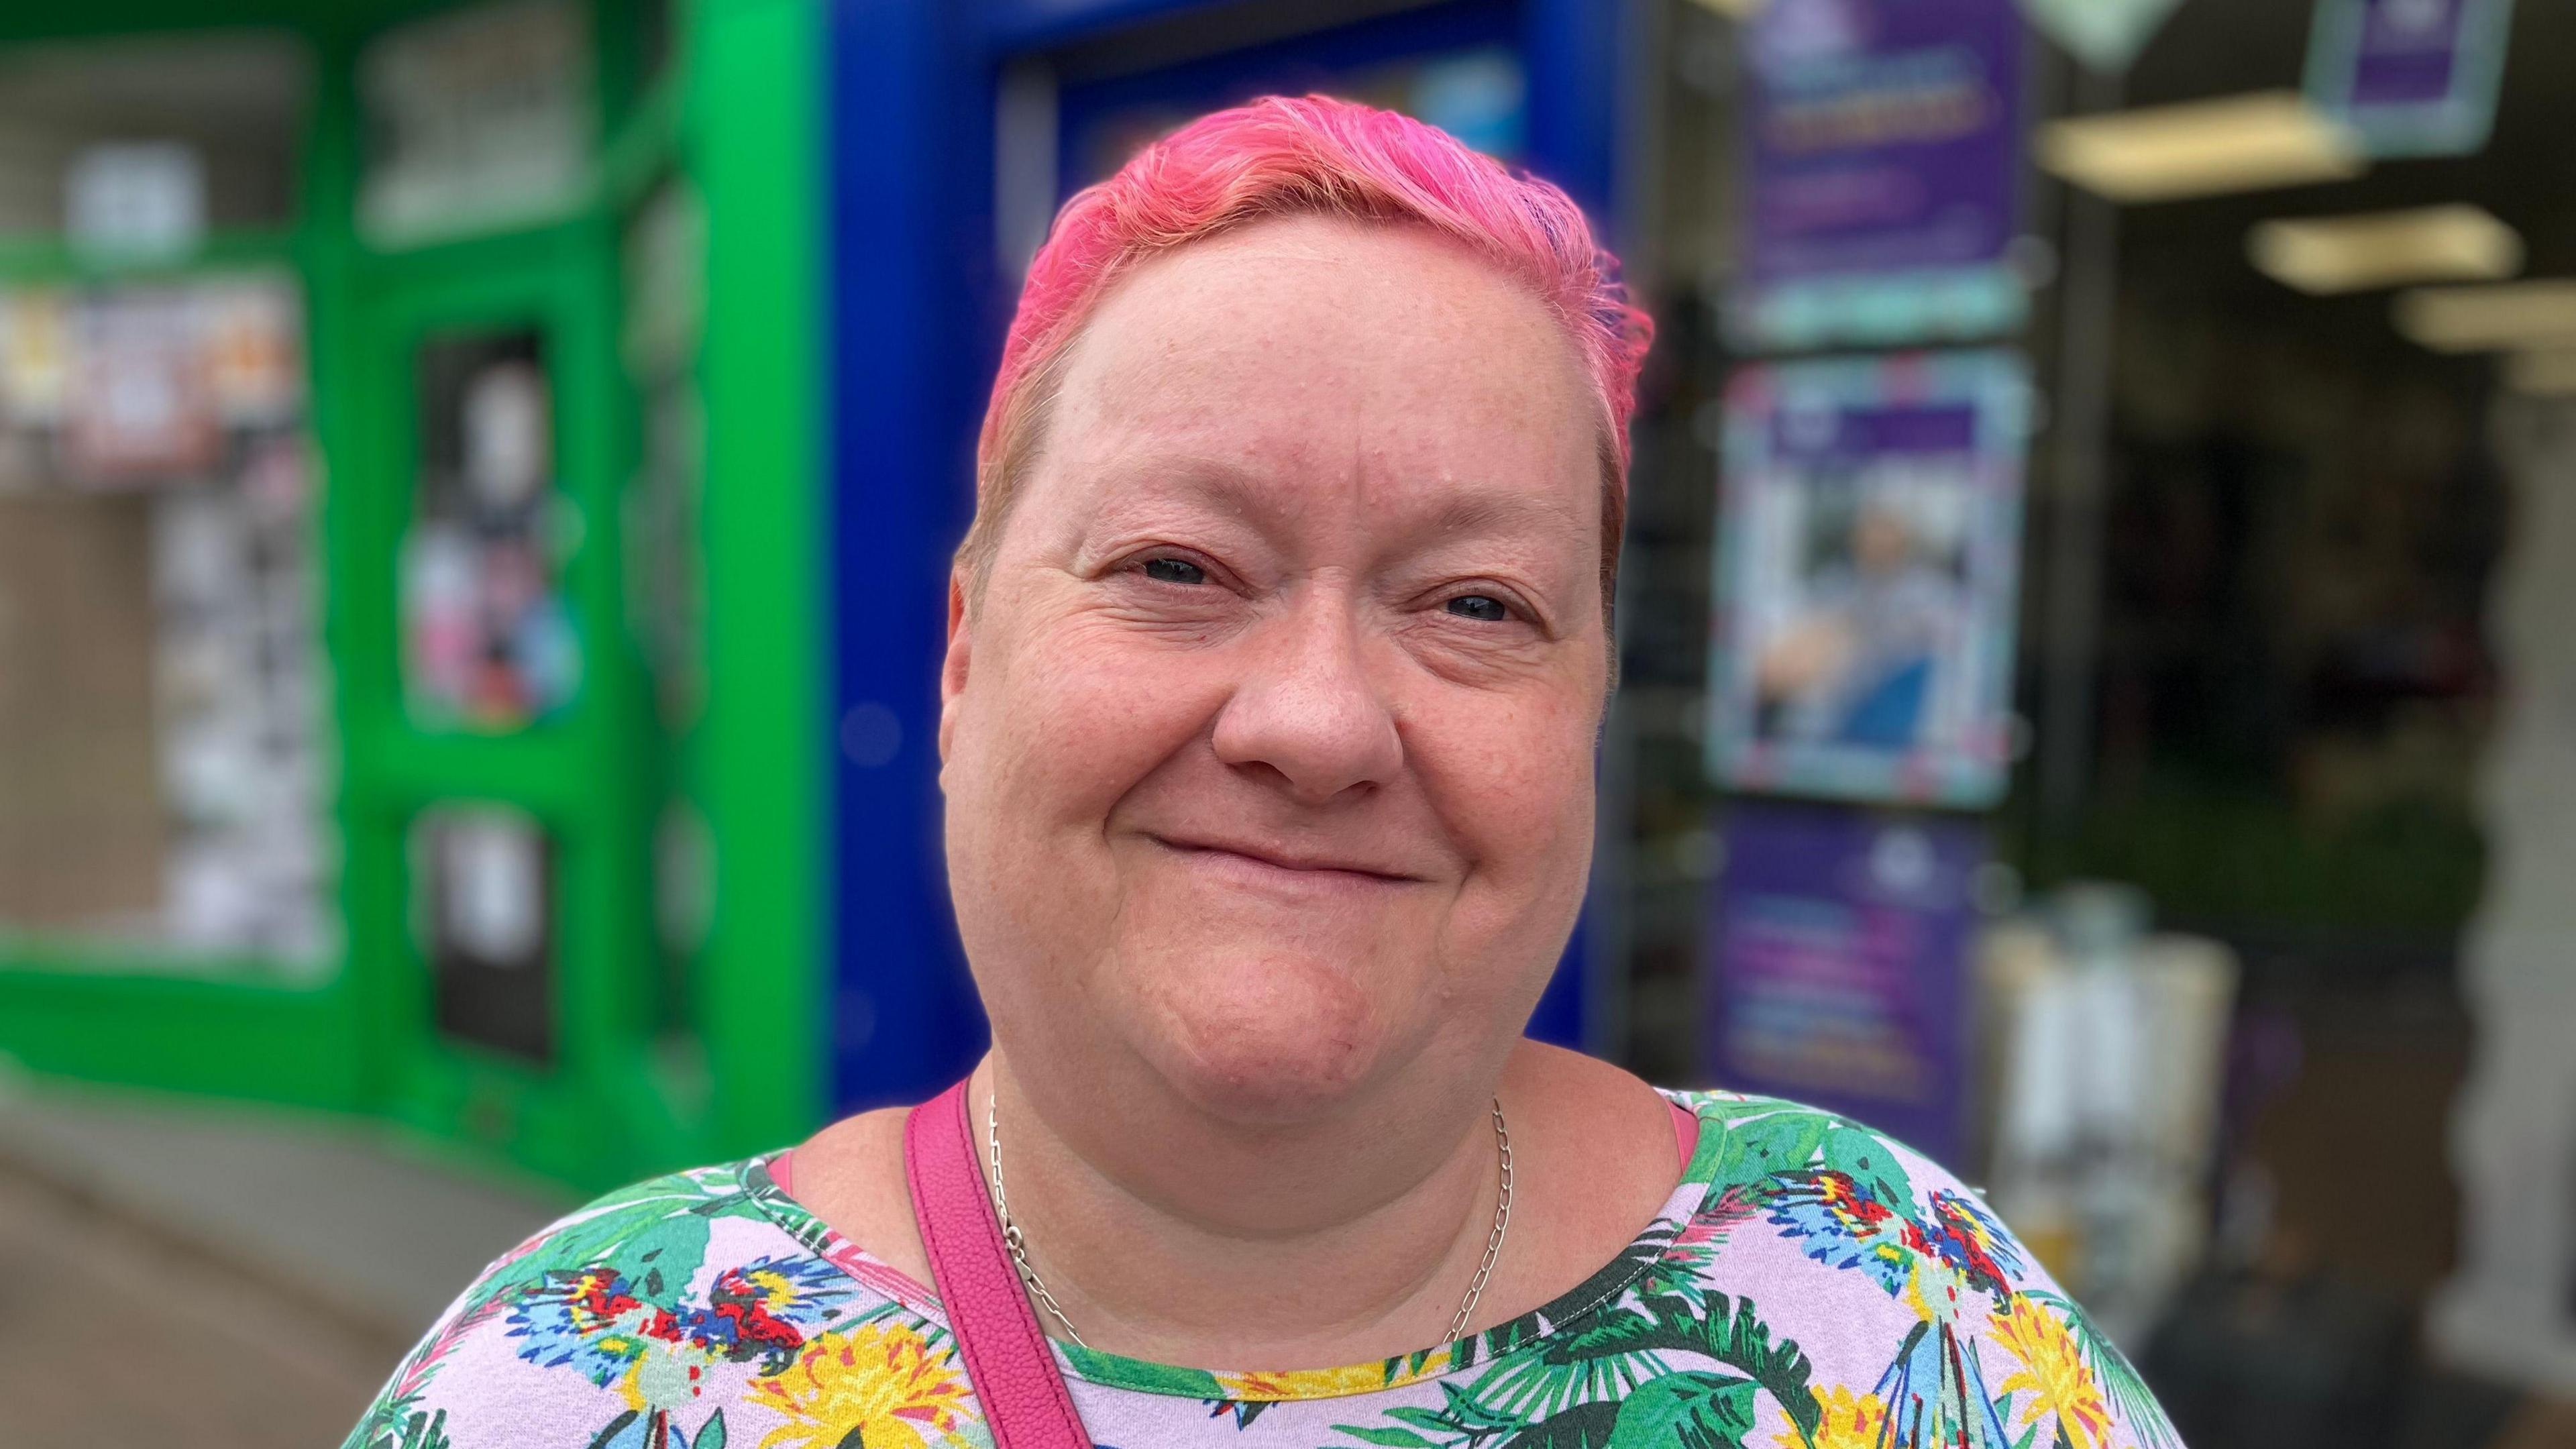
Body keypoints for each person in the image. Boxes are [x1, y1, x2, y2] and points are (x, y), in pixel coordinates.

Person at [346, 96, 2179, 1449]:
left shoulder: (1890, 1312)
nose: (1315, 722)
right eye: (1177, 568)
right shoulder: (592, 1381)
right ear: (968, 652)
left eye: (1474, 601)